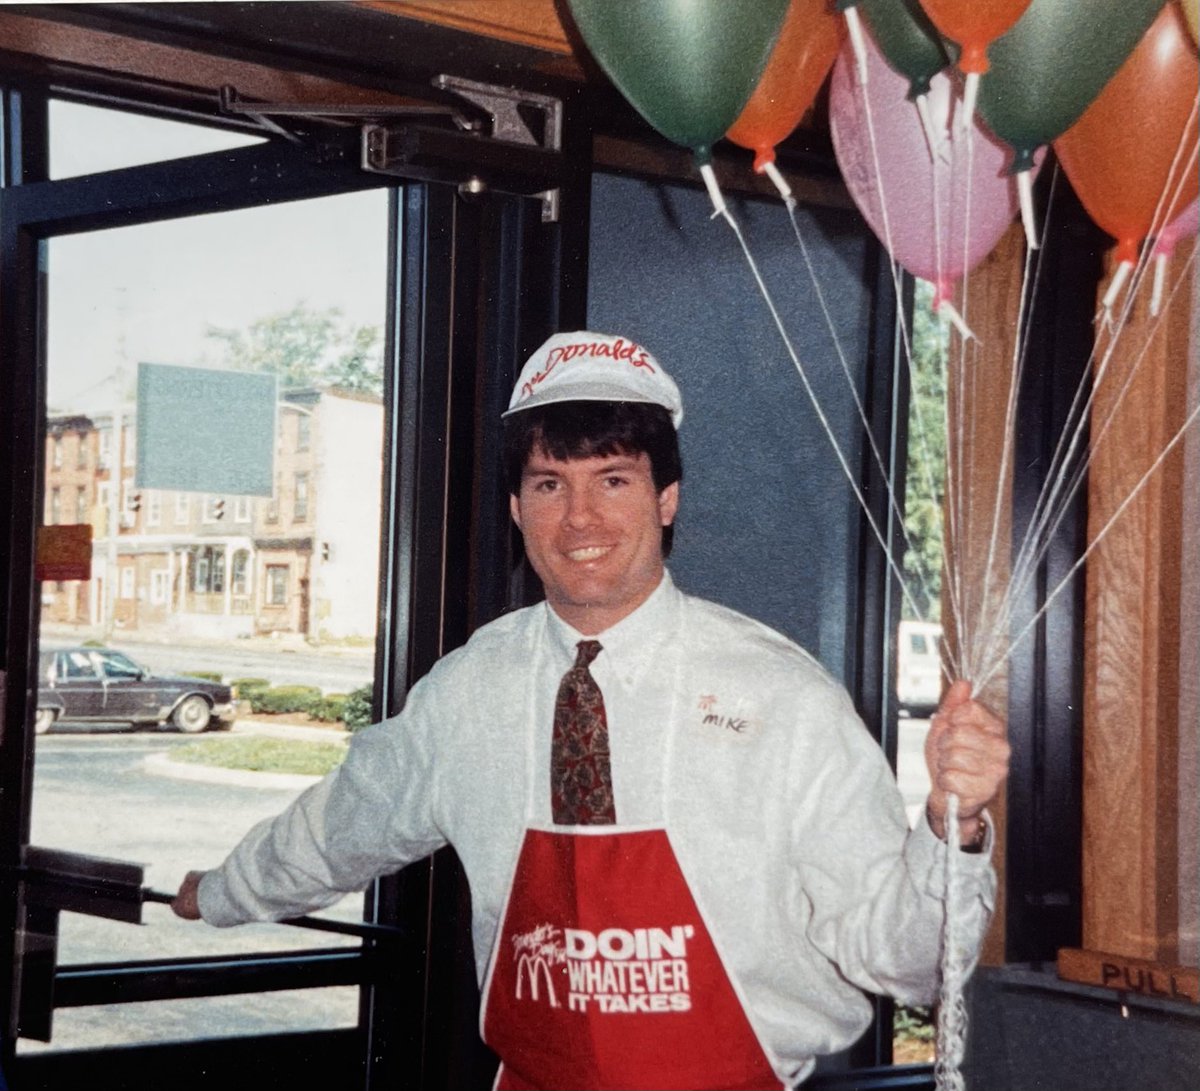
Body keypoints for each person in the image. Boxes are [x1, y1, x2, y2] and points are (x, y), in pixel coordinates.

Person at [173, 330, 1009, 1090]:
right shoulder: (469, 691)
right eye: (549, 484)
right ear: (516, 507)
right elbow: (338, 829)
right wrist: (219, 891)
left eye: (613, 479)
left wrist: (954, 825)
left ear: (667, 497)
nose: (580, 518)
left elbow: (906, 962)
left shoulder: (784, 697)